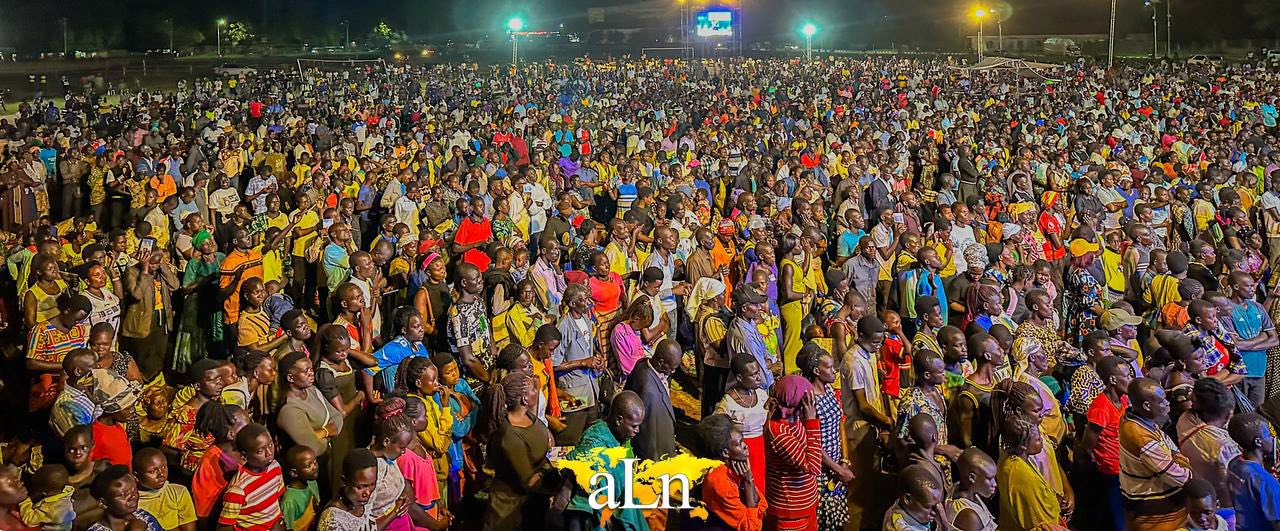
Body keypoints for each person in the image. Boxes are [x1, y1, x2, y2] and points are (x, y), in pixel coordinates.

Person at [562, 391, 648, 531]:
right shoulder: (595, 448)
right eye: (634, 426)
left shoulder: (619, 437)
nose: (637, 430)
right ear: (619, 420)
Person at [483, 372, 554, 530]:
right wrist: (559, 482)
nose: (536, 391)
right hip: (510, 511)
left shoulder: (526, 417)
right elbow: (528, 480)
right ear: (524, 399)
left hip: (530, 503)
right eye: (533, 389)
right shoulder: (510, 436)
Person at [1120, 378, 1192, 531]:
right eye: (1162, 401)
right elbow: (1178, 476)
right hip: (1154, 510)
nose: (1167, 403)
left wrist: (1176, 457)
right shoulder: (1141, 437)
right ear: (1146, 406)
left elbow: (1169, 446)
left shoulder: (1135, 418)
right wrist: (1186, 466)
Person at [763, 374, 822, 531]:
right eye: (808, 400)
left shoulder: (793, 420)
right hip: (790, 511)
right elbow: (814, 467)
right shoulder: (779, 431)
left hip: (803, 506)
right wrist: (811, 421)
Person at [694, 414, 767, 531]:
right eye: (740, 443)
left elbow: (762, 506)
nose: (745, 446)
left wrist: (749, 480)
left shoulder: (736, 468)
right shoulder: (720, 481)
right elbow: (751, 527)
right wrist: (748, 482)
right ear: (725, 453)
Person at [996, 413, 1065, 531]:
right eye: (1038, 439)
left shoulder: (1008, 458)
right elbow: (1040, 523)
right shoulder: (1021, 475)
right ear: (1023, 445)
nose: (1042, 441)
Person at [217, 423, 286, 530]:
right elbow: (225, 527)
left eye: (270, 445)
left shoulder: (275, 466)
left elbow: (277, 499)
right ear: (244, 456)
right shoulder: (238, 490)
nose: (269, 453)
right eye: (260, 451)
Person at [624, 338, 680, 461]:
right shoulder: (649, 392)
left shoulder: (642, 363)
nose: (673, 371)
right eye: (671, 368)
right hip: (657, 452)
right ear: (660, 362)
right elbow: (649, 433)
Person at [1227, 412, 1280, 531]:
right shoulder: (1266, 482)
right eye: (1269, 435)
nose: (1273, 438)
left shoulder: (1233, 464)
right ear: (1258, 442)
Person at [133, 447, 197, 531]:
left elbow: (189, 527)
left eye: (164, 467)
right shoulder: (132, 502)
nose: (161, 474)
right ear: (136, 476)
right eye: (153, 471)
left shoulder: (178, 492)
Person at [85, 465, 164, 531]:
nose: (133, 496)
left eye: (134, 489)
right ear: (103, 503)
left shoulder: (143, 516)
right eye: (124, 494)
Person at [883, 464, 946, 531]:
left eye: (937, 505)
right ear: (908, 499)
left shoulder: (903, 506)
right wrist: (943, 526)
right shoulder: (902, 528)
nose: (936, 512)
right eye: (928, 507)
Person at [949, 448, 998, 531]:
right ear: (972, 477)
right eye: (989, 478)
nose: (994, 484)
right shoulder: (969, 516)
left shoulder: (970, 490)